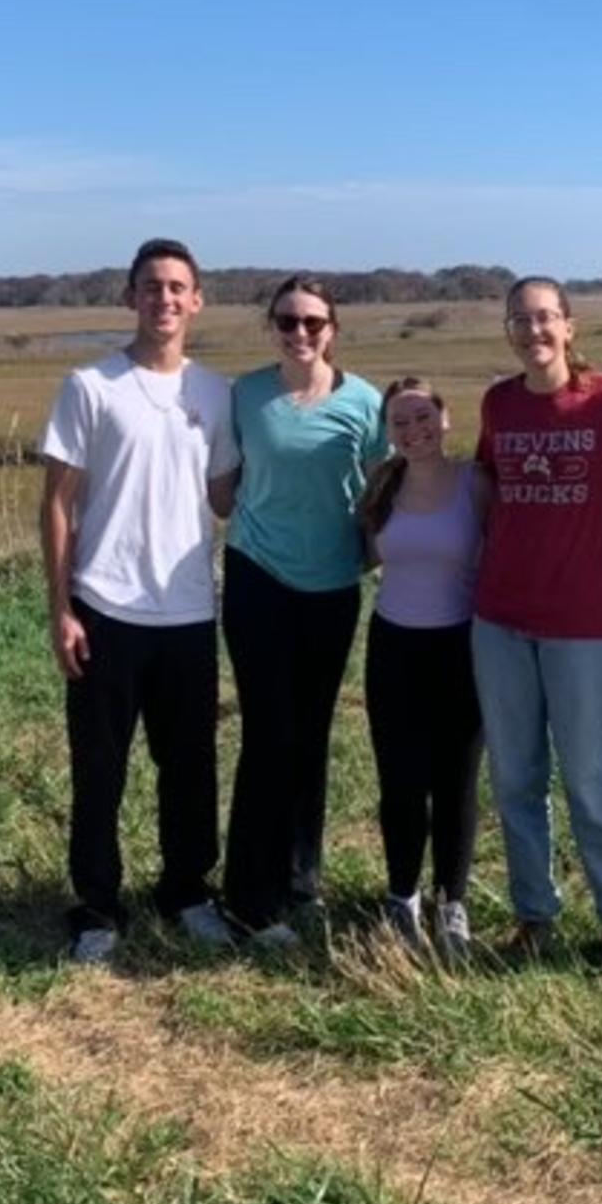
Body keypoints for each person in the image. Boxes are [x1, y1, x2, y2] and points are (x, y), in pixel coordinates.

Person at [39, 237, 242, 963]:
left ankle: (187, 891)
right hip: (105, 607)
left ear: (197, 300)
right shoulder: (90, 386)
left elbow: (224, 496)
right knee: (100, 766)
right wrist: (60, 607)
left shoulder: (216, 393)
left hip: (188, 611)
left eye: (177, 287)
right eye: (151, 286)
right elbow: (58, 504)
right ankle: (95, 906)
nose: (164, 298)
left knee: (189, 765)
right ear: (130, 296)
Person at [473, 276, 602, 971]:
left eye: (546, 318)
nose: (534, 331)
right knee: (514, 776)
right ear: (509, 331)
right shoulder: (498, 402)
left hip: (581, 622)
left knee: (589, 777)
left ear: (570, 325)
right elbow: (491, 485)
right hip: (497, 616)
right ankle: (535, 914)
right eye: (520, 320)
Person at [218, 276, 385, 948]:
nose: (301, 333)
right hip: (258, 578)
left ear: (333, 329)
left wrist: (380, 558)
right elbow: (223, 495)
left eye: (314, 322)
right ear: (272, 326)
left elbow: (384, 490)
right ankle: (248, 900)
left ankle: (300, 879)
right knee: (268, 733)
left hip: (333, 587)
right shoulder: (246, 394)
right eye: (288, 321)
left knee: (311, 734)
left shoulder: (367, 403)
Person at [358, 377, 486, 955]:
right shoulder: (381, 483)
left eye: (422, 417)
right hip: (394, 646)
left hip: (461, 645)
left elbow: (519, 547)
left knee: (456, 778)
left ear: (446, 417)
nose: (413, 431)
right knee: (400, 780)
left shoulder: (477, 483)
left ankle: (451, 901)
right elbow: (361, 555)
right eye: (400, 423)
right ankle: (401, 896)